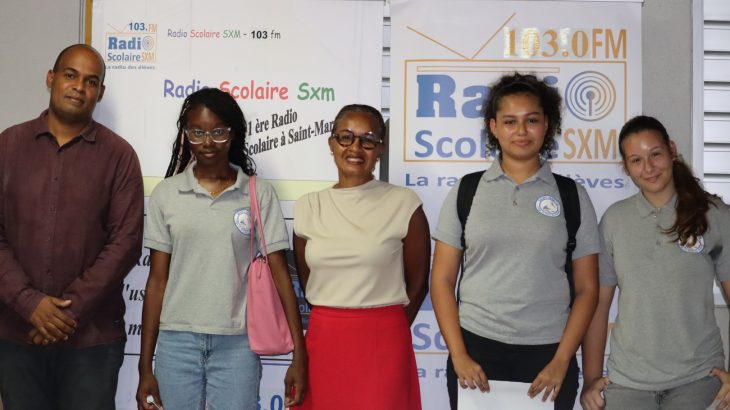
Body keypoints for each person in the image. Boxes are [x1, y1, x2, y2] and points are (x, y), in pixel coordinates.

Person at [430, 72, 600, 410]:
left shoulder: (572, 195)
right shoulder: (467, 190)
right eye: (510, 121)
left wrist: (562, 360)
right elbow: (442, 280)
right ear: (493, 127)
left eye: (531, 120)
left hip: (549, 356)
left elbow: (587, 289)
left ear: (546, 124)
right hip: (475, 353)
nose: (521, 131)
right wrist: (459, 355)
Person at [136, 88, 306, 410]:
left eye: (218, 132)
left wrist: (300, 353)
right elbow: (157, 281)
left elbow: (281, 275)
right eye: (197, 132)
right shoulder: (166, 195)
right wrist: (145, 367)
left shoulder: (258, 193)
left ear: (233, 134)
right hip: (176, 343)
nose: (208, 142)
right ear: (186, 135)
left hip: (238, 344)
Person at [0, 44, 144, 409]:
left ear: (100, 92)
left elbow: (125, 243)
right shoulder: (8, 145)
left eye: (91, 81)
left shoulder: (119, 156)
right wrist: (29, 303)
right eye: (70, 75)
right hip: (16, 334)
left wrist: (65, 313)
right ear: (51, 78)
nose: (79, 87)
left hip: (92, 342)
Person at [580, 115, 730, 410]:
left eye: (655, 154)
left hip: (699, 379)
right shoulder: (614, 220)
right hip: (627, 382)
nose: (648, 168)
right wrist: (591, 378)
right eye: (636, 160)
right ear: (626, 167)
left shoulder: (715, 215)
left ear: (671, 150)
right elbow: (598, 306)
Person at [291, 104, 430, 410]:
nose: (355, 147)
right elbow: (308, 281)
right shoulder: (307, 206)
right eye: (346, 137)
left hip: (382, 342)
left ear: (380, 148)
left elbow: (419, 285)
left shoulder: (404, 203)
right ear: (331, 143)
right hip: (324, 340)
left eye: (367, 140)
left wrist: (388, 329)